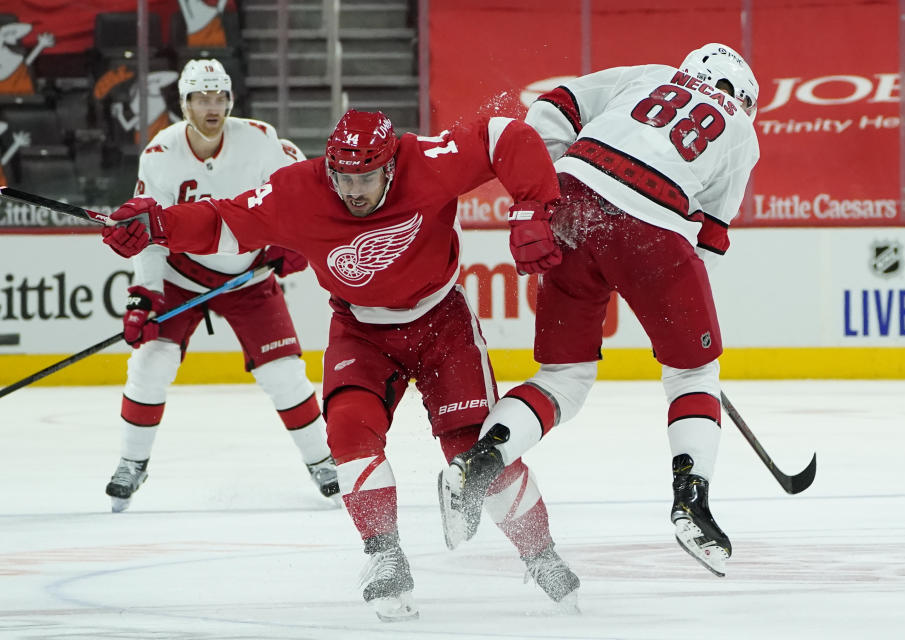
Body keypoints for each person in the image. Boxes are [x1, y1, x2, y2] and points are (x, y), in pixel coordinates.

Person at [101, 109, 580, 620]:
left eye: (366, 178)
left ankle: (542, 555)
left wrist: (534, 205)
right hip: (360, 330)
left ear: (391, 168)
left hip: (443, 322)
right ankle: (385, 556)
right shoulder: (300, 189)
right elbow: (225, 220)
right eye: (343, 178)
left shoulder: (426, 161)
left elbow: (504, 134)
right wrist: (157, 225)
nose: (353, 190)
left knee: (471, 451)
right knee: (349, 435)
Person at [438, 43, 761, 579]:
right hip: (655, 229)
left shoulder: (652, 75)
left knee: (563, 377)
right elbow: (711, 238)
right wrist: (671, 307)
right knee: (693, 373)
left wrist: (546, 187)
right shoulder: (741, 132)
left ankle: (479, 462)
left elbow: (556, 104)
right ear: (743, 100)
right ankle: (692, 502)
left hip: (572, 201)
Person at [103, 59, 339, 513]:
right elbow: (149, 236)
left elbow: (308, 190)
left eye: (220, 98)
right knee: (151, 362)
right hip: (181, 276)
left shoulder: (262, 140)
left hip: (250, 275)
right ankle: (132, 462)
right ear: (183, 103)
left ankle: (323, 461)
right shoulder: (160, 154)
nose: (212, 107)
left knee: (285, 374)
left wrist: (296, 241)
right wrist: (144, 298)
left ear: (231, 100)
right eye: (201, 98)